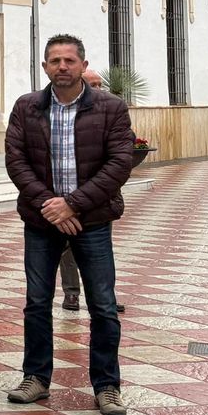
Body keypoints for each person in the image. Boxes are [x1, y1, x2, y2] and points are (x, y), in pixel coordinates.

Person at [4, 35, 133, 415]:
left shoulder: (111, 107)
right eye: (54, 60)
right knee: (36, 303)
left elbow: (119, 163)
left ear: (82, 64)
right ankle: (36, 378)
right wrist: (51, 205)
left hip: (91, 221)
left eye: (69, 60)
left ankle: (107, 386)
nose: (62, 66)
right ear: (44, 66)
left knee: (103, 306)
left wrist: (73, 204)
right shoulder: (27, 107)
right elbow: (16, 160)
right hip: (42, 221)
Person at [59, 69, 124, 314]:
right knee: (68, 250)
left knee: (101, 251)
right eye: (92, 84)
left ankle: (106, 296)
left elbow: (120, 158)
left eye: (100, 85)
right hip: (65, 201)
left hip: (98, 201)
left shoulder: (111, 111)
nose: (97, 89)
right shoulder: (62, 113)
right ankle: (72, 294)